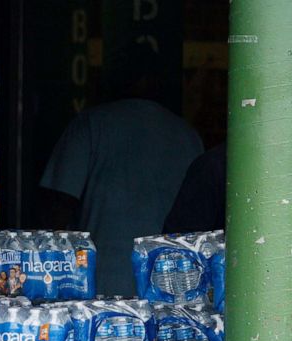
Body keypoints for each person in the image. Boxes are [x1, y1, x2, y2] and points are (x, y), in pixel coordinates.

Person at [39, 49, 203, 296]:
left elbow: (57, 208)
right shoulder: (188, 136)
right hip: (170, 289)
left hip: (98, 286)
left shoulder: (91, 124)